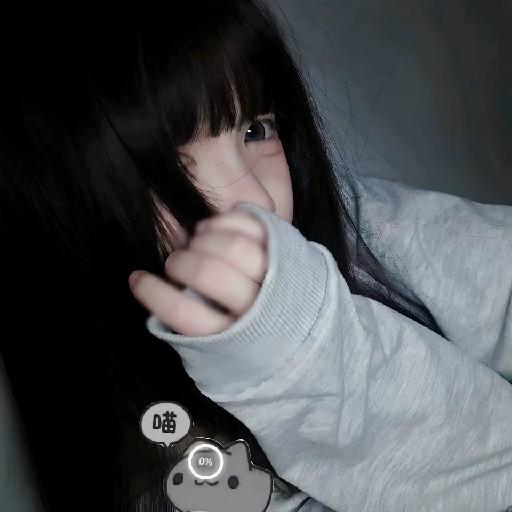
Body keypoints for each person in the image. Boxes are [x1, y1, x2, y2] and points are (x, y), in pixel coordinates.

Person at [0, 1, 511, 511]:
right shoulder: (155, 470)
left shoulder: (371, 226)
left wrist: (310, 349)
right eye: (169, 167)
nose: (259, 201)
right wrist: (301, 367)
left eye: (255, 130)